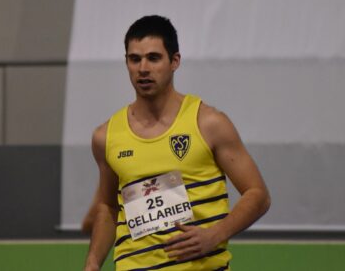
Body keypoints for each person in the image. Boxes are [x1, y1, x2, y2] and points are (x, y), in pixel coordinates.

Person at [84, 15, 270, 270]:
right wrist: (93, 262)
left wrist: (214, 235)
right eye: (135, 59)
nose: (143, 68)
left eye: (153, 58)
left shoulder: (208, 123)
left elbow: (258, 194)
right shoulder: (106, 137)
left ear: (175, 61)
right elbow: (108, 206)